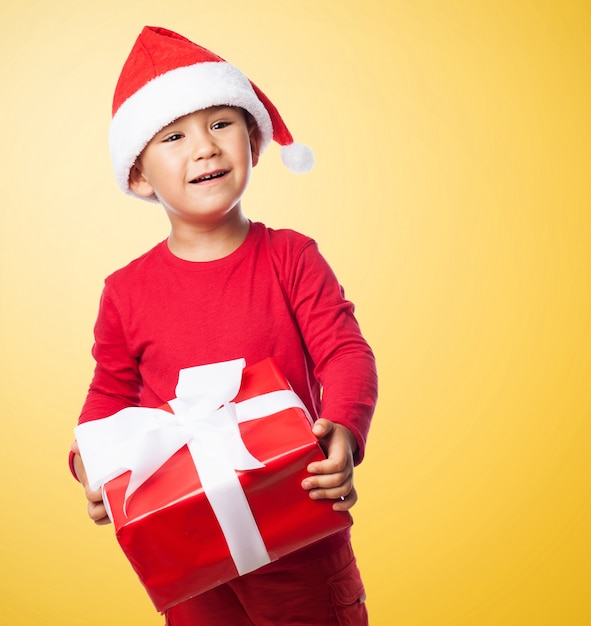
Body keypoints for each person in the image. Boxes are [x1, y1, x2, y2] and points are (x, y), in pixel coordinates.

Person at [70, 25, 378, 626]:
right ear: (138, 176)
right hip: (183, 539)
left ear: (254, 142)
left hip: (298, 522)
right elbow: (109, 394)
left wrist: (342, 426)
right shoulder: (125, 292)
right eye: (175, 136)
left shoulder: (290, 256)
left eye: (221, 124)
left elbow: (344, 350)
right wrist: (93, 464)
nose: (205, 148)